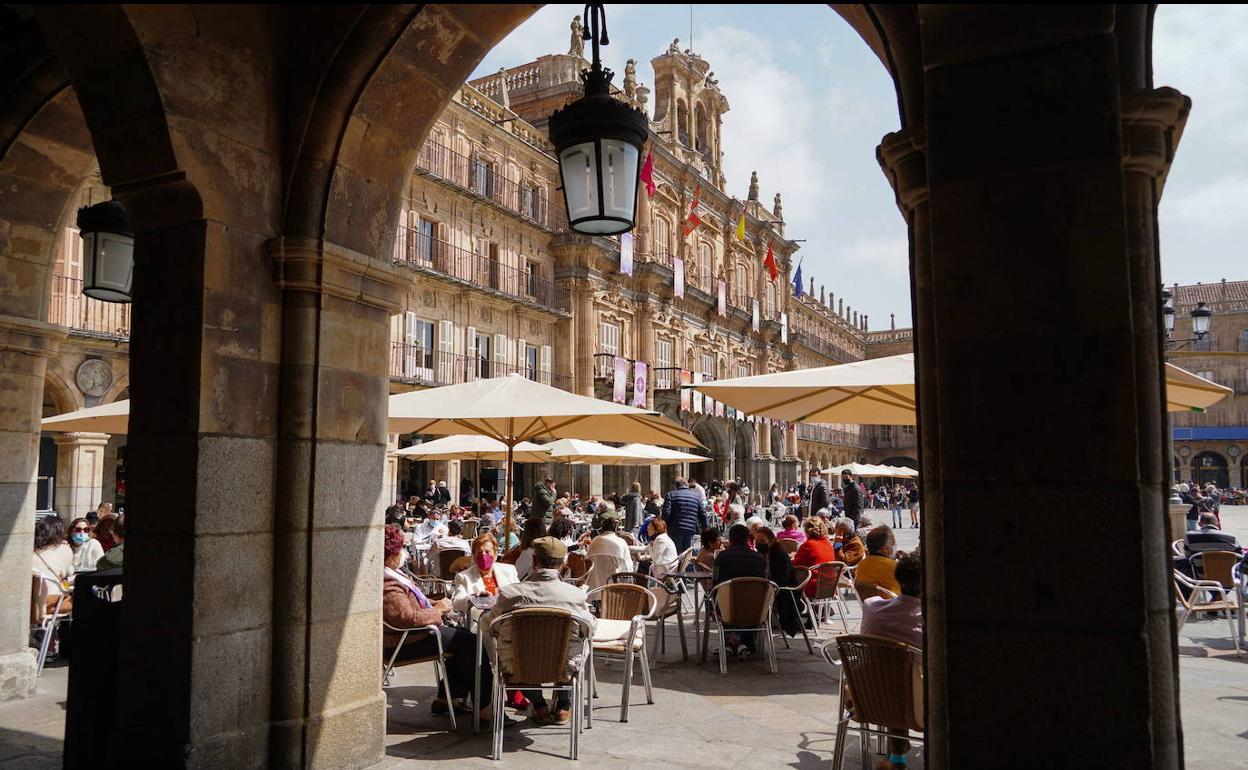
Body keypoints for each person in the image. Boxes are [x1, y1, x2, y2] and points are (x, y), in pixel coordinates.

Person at [382, 525, 495, 722]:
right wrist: (439, 610)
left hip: (416, 633)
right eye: (400, 549)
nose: (403, 553)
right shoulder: (387, 584)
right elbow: (408, 617)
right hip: (405, 641)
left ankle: (448, 695)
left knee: (462, 638)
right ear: (391, 555)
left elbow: (414, 603)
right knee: (472, 643)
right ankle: (485, 707)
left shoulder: (394, 574)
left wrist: (436, 604)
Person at [484, 537, 596, 725]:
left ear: (534, 561)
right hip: (563, 669)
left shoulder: (510, 594)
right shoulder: (575, 596)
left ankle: (540, 706)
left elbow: (488, 624)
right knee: (575, 647)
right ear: (563, 565)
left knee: (516, 655)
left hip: (518, 668)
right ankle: (563, 705)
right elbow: (590, 628)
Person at [858, 551, 923, 770]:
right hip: (918, 705)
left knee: (894, 680)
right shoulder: (928, 620)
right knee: (907, 682)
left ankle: (897, 759)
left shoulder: (872, 608)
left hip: (870, 698)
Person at [712, 523, 767, 656]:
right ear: (748, 539)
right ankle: (744, 642)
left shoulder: (721, 558)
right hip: (755, 609)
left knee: (718, 600)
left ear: (730, 539)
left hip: (727, 609)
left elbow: (715, 582)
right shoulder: (759, 558)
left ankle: (731, 641)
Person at [450, 532, 519, 614]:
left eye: (487, 552)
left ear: (495, 555)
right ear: (474, 556)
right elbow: (457, 601)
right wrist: (473, 598)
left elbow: (518, 595)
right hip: (482, 621)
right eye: (479, 552)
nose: (483, 555)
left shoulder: (510, 570)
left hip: (507, 617)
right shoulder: (464, 577)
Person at [34, 515, 75, 615]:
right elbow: (70, 572)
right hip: (54, 603)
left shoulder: (31, 552)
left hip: (33, 604)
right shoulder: (64, 549)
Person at [792, 516, 838, 598]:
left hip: (812, 587)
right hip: (829, 586)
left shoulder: (808, 545)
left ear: (807, 531)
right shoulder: (828, 544)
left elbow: (794, 566)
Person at [662, 477, 706, 554]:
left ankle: (678, 566)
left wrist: (664, 527)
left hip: (674, 528)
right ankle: (687, 565)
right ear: (687, 485)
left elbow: (666, 513)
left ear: (676, 486)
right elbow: (702, 514)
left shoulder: (670, 495)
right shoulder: (696, 496)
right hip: (690, 528)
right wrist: (705, 528)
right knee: (687, 553)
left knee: (676, 552)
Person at [855, 525, 901, 596]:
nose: (895, 546)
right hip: (892, 604)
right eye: (893, 543)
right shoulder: (894, 566)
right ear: (884, 549)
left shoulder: (862, 565)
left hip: (871, 606)